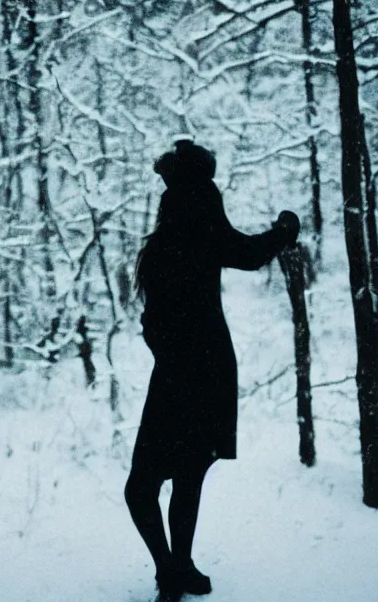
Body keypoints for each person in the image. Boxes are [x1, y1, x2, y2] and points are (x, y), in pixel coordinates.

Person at [125, 141, 299, 601]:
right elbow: (250, 252)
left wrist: (163, 344)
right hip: (202, 371)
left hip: (189, 372)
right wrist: (284, 229)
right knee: (171, 480)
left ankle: (173, 572)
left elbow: (246, 254)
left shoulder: (179, 235)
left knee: (156, 484)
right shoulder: (190, 231)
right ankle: (175, 570)